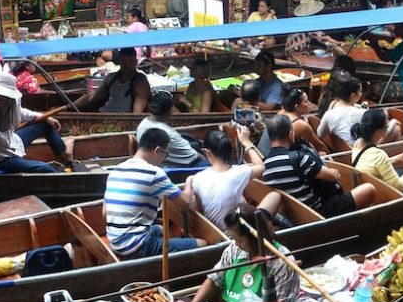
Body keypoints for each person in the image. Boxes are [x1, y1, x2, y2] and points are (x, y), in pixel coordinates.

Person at [173, 205, 300, 302]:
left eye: (239, 240)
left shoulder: (281, 262)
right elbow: (214, 280)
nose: (236, 244)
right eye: (234, 239)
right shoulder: (234, 250)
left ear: (254, 236)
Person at [103, 127, 207, 259]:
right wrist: (189, 182)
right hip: (137, 245)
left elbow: (104, 213)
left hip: (115, 241)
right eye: (165, 155)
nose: (163, 159)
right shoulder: (154, 173)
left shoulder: (116, 170)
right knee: (203, 244)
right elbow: (185, 202)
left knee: (161, 229)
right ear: (158, 151)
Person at [0, 73, 72, 179]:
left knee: (45, 123)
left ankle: (64, 153)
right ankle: (66, 178)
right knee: (45, 168)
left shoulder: (14, 102)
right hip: (0, 158)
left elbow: (22, 113)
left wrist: (44, 116)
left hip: (14, 142)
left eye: (0, 94)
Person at [262, 115, 376, 218]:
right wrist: (328, 166)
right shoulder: (299, 158)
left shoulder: (265, 164)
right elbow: (333, 176)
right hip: (318, 212)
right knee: (368, 189)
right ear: (290, 134)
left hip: (294, 215)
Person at [184, 128, 279, 231]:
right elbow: (261, 167)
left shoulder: (198, 178)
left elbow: (202, 211)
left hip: (217, 235)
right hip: (240, 232)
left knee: (242, 198)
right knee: (275, 196)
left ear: (208, 153)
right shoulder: (238, 173)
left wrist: (189, 182)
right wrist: (246, 142)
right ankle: (265, 229)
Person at [60, 47, 151, 113]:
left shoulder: (140, 82)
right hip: (103, 114)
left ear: (135, 62)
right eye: (124, 62)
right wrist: (67, 107)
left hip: (122, 121)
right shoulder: (111, 77)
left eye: (130, 62)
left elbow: (137, 113)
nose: (127, 65)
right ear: (119, 62)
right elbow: (92, 97)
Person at [318, 76, 399, 147]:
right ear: (353, 95)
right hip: (359, 152)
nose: (361, 94)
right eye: (360, 91)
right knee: (396, 128)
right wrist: (393, 122)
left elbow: (320, 134)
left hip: (343, 150)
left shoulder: (329, 113)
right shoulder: (361, 114)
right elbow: (382, 132)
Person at [137, 91, 207, 168]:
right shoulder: (169, 134)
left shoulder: (142, 125)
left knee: (192, 141)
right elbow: (195, 157)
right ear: (170, 111)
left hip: (159, 162)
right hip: (175, 168)